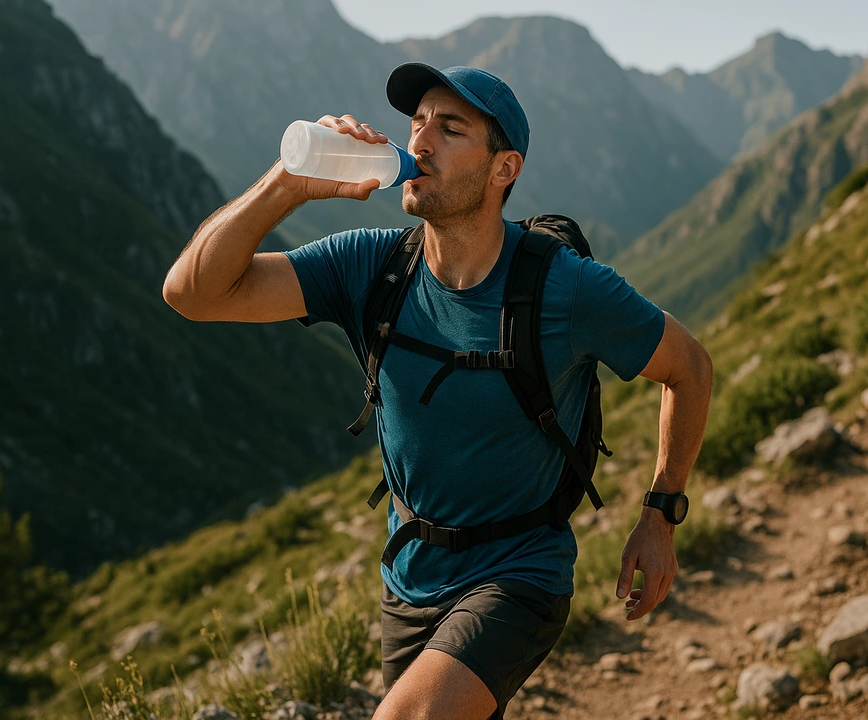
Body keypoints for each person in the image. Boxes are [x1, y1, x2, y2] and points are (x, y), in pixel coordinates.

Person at [163, 62, 713, 720]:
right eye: (417, 123)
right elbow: (192, 293)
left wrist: (660, 516)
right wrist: (286, 185)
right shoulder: (369, 265)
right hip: (409, 578)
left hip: (519, 573)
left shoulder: (566, 288)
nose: (419, 142)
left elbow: (690, 368)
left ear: (503, 169)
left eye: (450, 129)